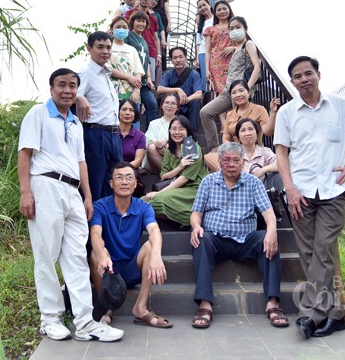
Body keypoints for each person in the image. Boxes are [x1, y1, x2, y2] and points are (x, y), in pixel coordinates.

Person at [274, 56, 345, 339]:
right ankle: (333, 315)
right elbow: (281, 152)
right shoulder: (286, 112)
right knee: (309, 255)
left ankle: (310, 314)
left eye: (308, 73)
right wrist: (290, 188)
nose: (304, 79)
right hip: (300, 193)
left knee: (322, 250)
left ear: (318, 74)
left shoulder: (340, 105)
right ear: (293, 82)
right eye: (297, 76)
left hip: (332, 191)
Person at [18, 68, 124, 342]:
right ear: (51, 88)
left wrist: (87, 197)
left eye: (72, 86)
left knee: (76, 257)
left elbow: (81, 163)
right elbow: (25, 153)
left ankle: (85, 321)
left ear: (78, 90)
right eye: (62, 85)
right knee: (46, 256)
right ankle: (50, 319)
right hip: (45, 187)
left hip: (73, 192)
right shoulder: (38, 114)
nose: (67, 90)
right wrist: (25, 192)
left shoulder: (76, 123)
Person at [189, 142, 287, 329]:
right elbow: (196, 213)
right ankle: (204, 303)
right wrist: (195, 227)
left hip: (245, 240)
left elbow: (268, 213)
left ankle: (273, 302)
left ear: (243, 163)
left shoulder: (253, 183)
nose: (231, 164)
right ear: (219, 162)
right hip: (216, 239)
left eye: (236, 160)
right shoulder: (208, 182)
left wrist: (272, 231)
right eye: (226, 160)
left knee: (268, 238)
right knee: (200, 238)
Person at [89, 162, 173, 328]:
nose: (124, 182)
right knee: (95, 252)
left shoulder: (143, 207)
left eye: (129, 178)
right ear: (111, 184)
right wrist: (102, 255)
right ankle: (105, 306)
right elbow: (95, 234)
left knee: (150, 246)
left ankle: (141, 308)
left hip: (130, 269)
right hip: (107, 270)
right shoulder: (100, 206)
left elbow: (154, 230)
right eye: (119, 178)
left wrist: (156, 255)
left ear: (136, 183)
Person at [200, 16, 263, 152]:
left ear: (245, 29)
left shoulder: (249, 44)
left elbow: (257, 67)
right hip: (228, 90)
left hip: (240, 92)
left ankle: (244, 152)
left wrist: (246, 88)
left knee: (239, 123)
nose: (234, 30)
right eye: (231, 28)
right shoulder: (236, 47)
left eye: (237, 27)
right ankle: (214, 147)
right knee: (205, 112)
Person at [75, 31, 123, 201]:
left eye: (108, 48)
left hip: (114, 135)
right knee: (95, 184)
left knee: (114, 183)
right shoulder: (85, 73)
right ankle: (91, 226)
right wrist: (79, 97)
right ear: (89, 48)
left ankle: (106, 225)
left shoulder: (106, 75)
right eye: (100, 47)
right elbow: (69, 96)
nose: (105, 51)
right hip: (95, 134)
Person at [144, 116, 208, 227]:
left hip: (193, 189)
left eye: (181, 129)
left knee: (156, 200)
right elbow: (163, 176)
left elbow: (184, 178)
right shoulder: (169, 150)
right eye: (173, 129)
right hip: (177, 188)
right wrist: (179, 167)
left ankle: (187, 219)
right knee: (143, 201)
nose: (177, 132)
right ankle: (180, 219)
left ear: (187, 131)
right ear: (169, 131)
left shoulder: (192, 148)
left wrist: (159, 193)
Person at [203, 80, 278, 171]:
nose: (238, 95)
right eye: (234, 92)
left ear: (249, 93)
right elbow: (226, 137)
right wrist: (234, 151)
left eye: (241, 90)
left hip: (254, 151)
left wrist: (273, 113)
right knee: (208, 157)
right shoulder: (230, 114)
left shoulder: (259, 109)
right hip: (236, 153)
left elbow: (268, 131)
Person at [157, 46, 204, 132]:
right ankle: (165, 130)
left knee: (196, 102)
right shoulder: (168, 74)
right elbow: (159, 89)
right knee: (161, 97)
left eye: (181, 57)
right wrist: (177, 90)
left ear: (186, 58)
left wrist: (185, 100)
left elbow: (199, 94)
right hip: (173, 107)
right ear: (171, 60)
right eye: (175, 58)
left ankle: (192, 137)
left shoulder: (194, 74)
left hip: (188, 107)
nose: (178, 60)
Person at [124, 11, 158, 129]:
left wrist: (149, 77)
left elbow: (147, 60)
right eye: (138, 20)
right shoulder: (127, 36)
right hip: (132, 79)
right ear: (132, 22)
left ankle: (150, 136)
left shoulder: (144, 41)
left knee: (152, 105)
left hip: (143, 81)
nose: (141, 23)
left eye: (143, 21)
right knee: (134, 107)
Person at [124, 0, 161, 79]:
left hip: (150, 52)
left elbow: (156, 38)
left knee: (149, 80)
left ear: (151, 0)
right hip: (133, 50)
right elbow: (124, 28)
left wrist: (158, 55)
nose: (145, 0)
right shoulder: (130, 13)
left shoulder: (154, 19)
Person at [108, 15, 145, 103]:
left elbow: (138, 71)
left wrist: (137, 91)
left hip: (132, 96)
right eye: (118, 27)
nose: (122, 29)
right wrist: (129, 77)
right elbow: (108, 68)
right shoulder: (108, 48)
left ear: (128, 30)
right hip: (114, 94)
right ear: (111, 30)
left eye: (125, 27)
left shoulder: (132, 49)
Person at [203, 0, 234, 96]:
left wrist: (233, 48)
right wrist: (207, 70)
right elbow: (207, 51)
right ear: (215, 13)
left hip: (233, 62)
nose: (222, 11)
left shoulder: (235, 26)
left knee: (234, 88)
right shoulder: (210, 30)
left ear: (229, 10)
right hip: (216, 64)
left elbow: (243, 43)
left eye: (224, 8)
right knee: (222, 93)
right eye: (219, 10)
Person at [144, 92, 180, 174]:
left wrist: (167, 142)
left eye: (173, 103)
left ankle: (175, 173)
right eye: (166, 103)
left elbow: (187, 141)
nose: (169, 106)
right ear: (161, 106)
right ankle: (169, 174)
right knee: (151, 147)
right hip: (157, 159)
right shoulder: (154, 123)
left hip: (176, 158)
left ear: (177, 107)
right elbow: (146, 143)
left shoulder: (181, 122)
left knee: (169, 146)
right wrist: (158, 144)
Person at [118, 99, 146, 197]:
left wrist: (122, 172)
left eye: (131, 110)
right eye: (124, 109)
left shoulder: (140, 136)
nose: (127, 113)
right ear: (118, 112)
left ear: (135, 114)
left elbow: (138, 161)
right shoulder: (110, 133)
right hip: (111, 171)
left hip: (131, 172)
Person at [194, 0, 214, 90]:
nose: (202, 8)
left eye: (204, 5)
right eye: (200, 7)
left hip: (215, 51)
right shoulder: (200, 23)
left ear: (209, 5)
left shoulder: (216, 19)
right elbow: (198, 42)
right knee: (205, 77)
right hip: (203, 53)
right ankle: (207, 99)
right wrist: (197, 57)